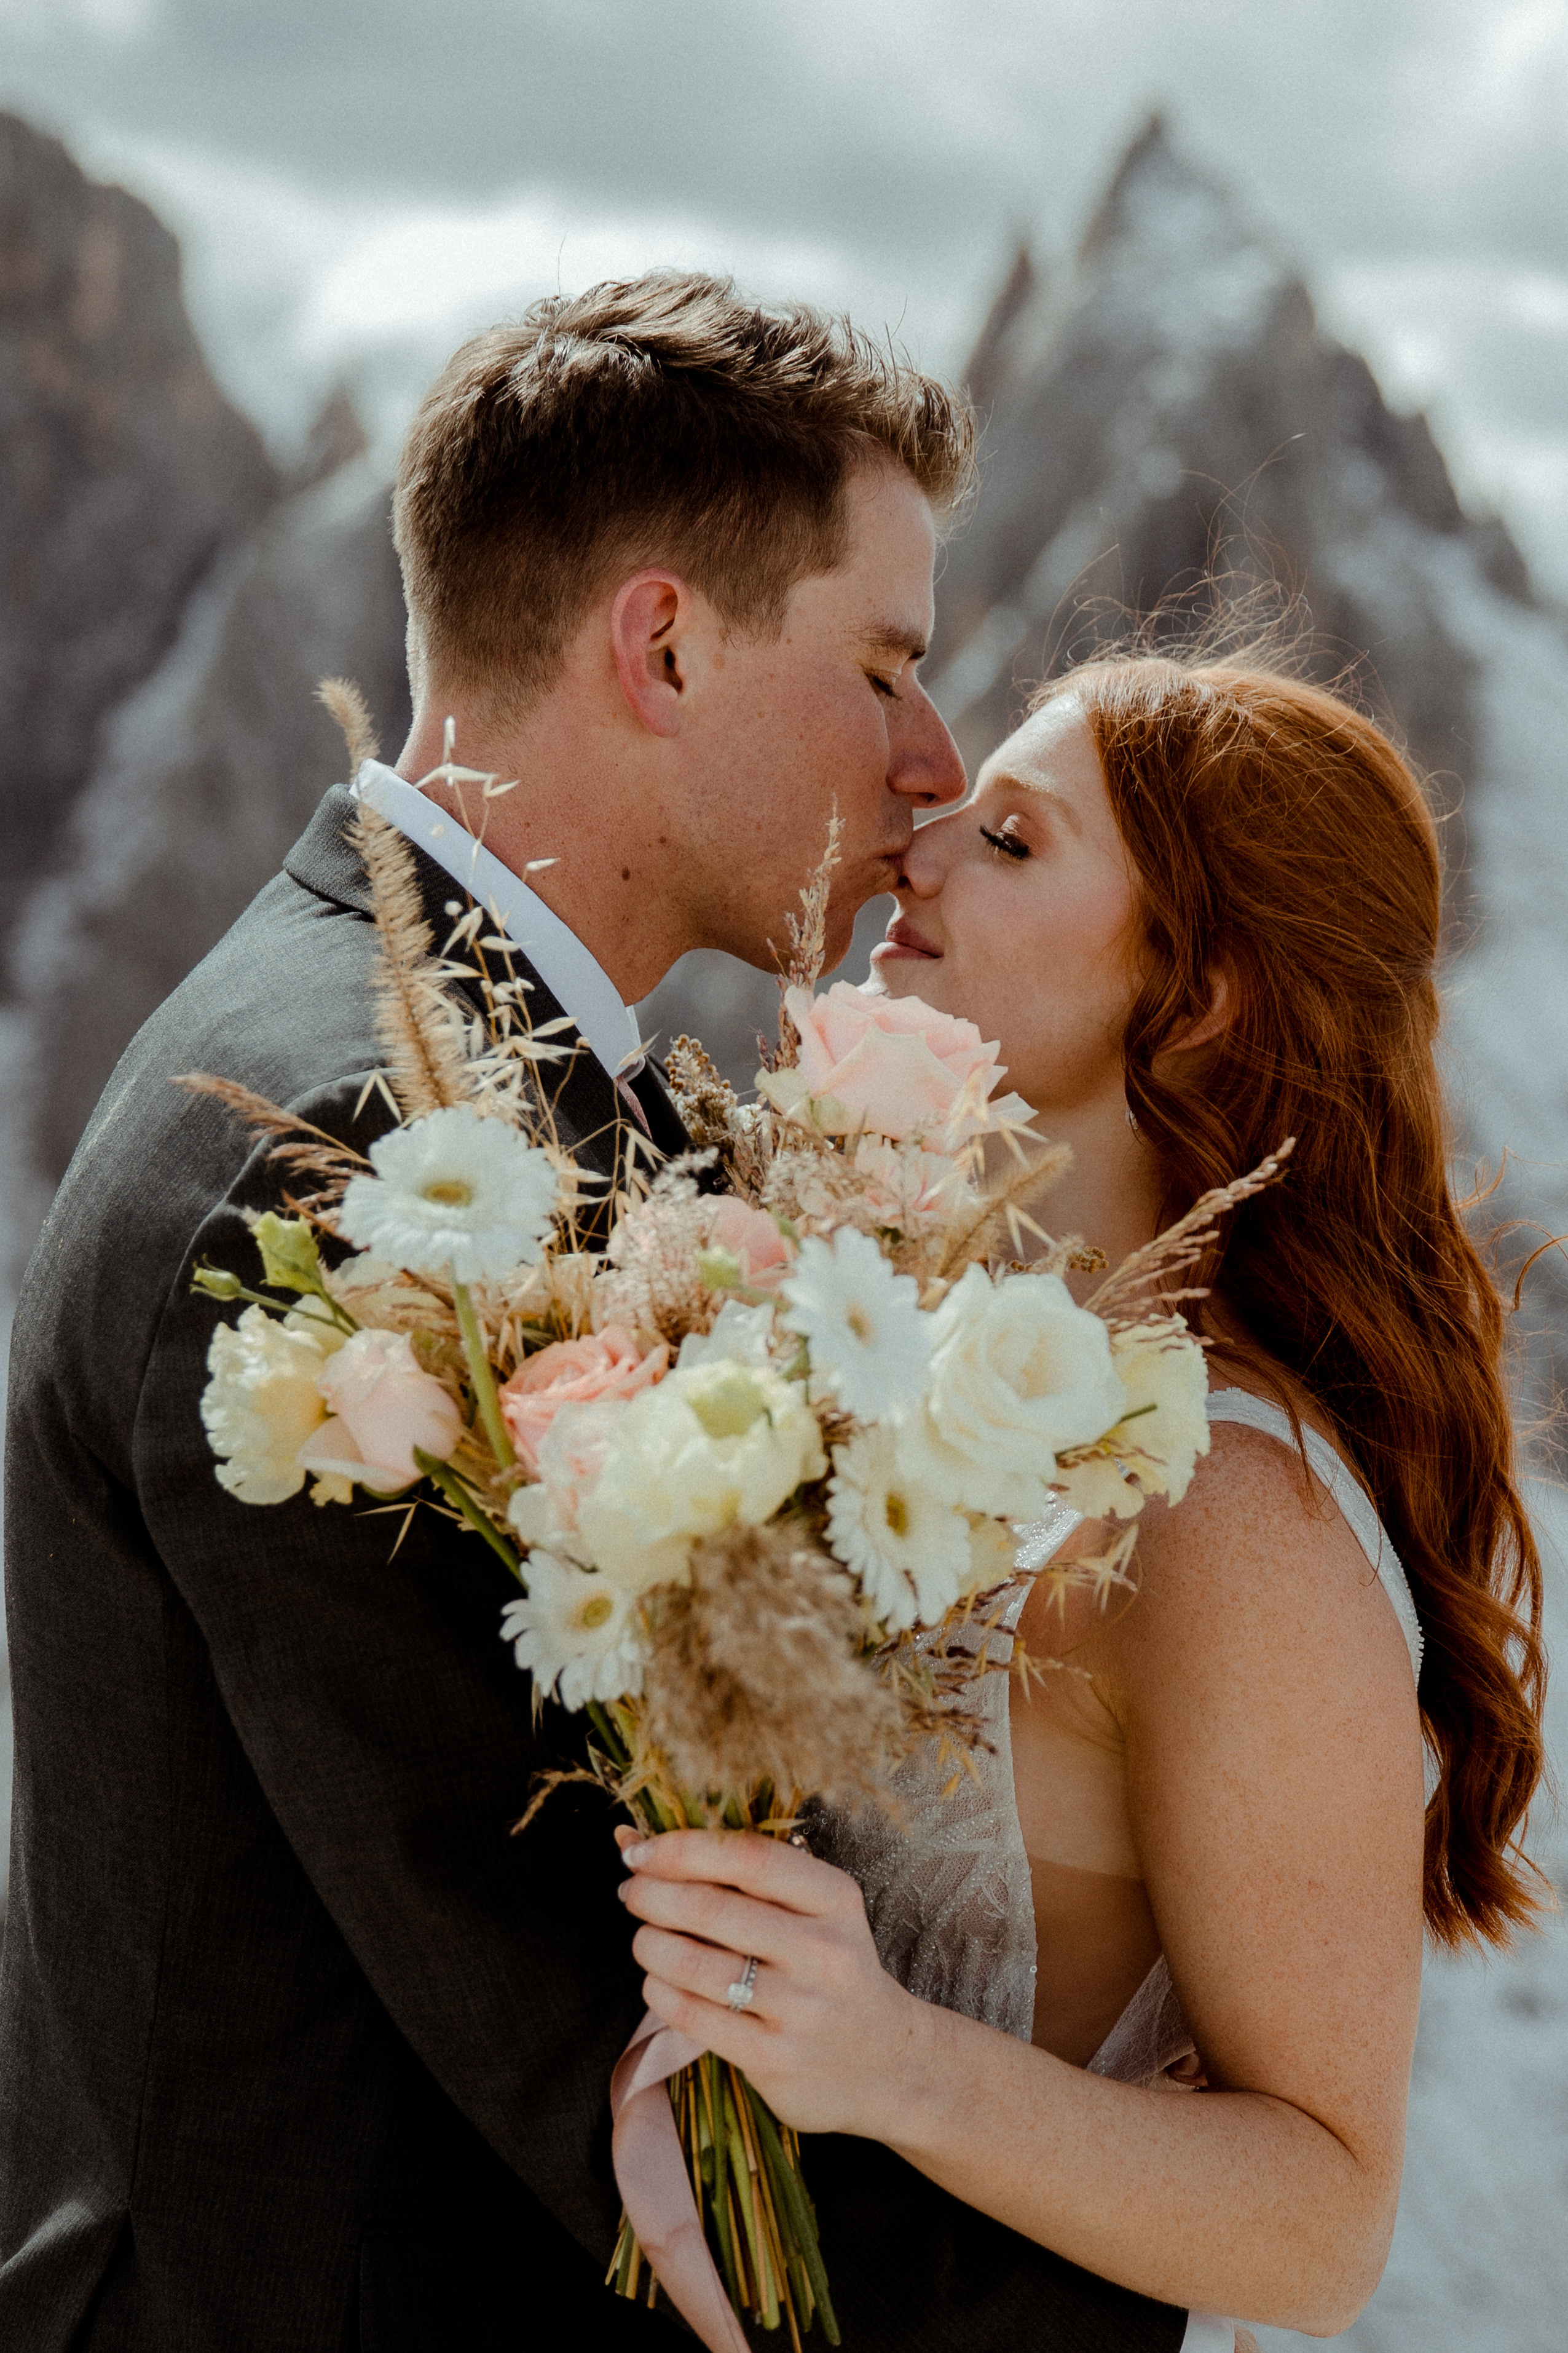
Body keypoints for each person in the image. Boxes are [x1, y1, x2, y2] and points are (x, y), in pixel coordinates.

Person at [0, 272, 1197, 2352]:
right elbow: (595, 2036)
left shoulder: (487, 1082)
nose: (930, 762)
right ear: (663, 645)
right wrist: (1167, 2238)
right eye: (885, 666)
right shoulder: (347, 1161)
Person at [615, 652, 1549, 2348]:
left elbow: (1325, 2225)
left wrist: (886, 2059)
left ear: (1199, 997)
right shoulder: (943, 1349)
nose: (918, 849)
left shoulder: (1237, 1515)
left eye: (1013, 840)